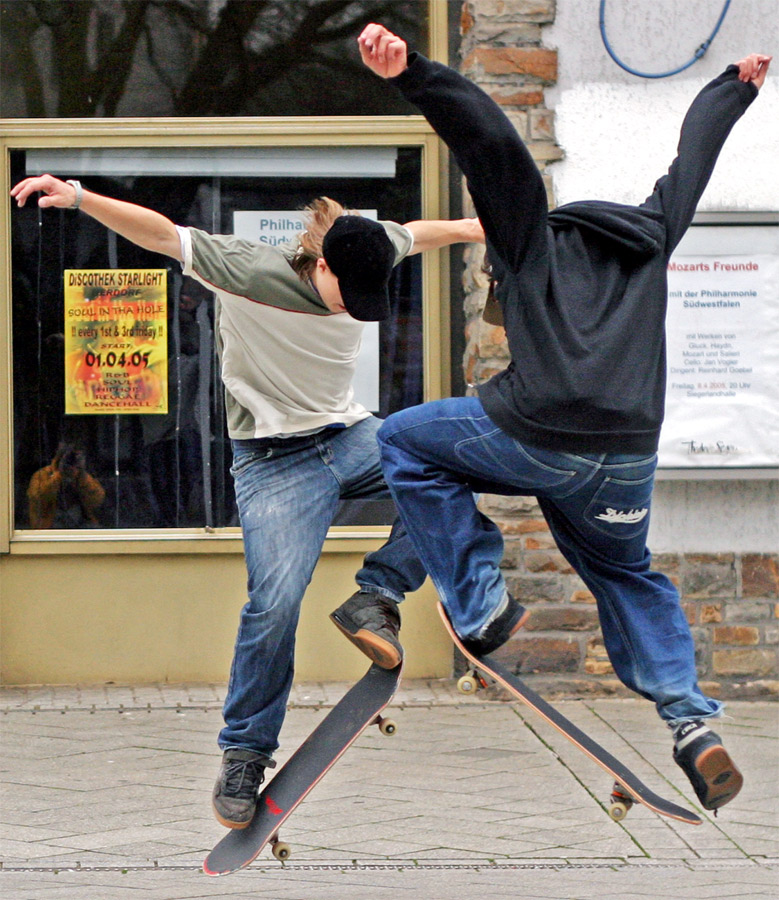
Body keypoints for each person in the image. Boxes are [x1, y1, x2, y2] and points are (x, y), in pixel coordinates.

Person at [346, 24, 771, 812]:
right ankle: (691, 724)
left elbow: (494, 149)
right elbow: (691, 165)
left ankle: (477, 600)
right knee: (625, 572)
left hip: (534, 433)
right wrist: (733, 90)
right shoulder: (650, 236)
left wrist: (416, 76)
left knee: (406, 441)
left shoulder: (527, 238)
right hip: (626, 458)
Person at [10, 173, 484, 828]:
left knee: (448, 472)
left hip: (346, 435)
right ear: (321, 264)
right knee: (274, 603)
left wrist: (475, 227)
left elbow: (423, 234)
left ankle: (375, 596)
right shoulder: (244, 269)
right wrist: (82, 199)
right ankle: (244, 754)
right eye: (348, 295)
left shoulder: (367, 249)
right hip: (272, 464)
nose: (354, 309)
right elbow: (160, 233)